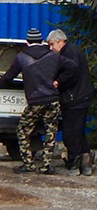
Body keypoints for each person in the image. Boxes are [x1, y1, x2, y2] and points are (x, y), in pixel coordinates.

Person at [0, 28, 76, 174]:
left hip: (35, 101)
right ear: (42, 42)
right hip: (52, 100)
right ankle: (46, 166)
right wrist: (58, 81)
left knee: (22, 131)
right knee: (50, 131)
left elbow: (8, 77)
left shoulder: (22, 57)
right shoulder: (52, 55)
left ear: (27, 42)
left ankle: (28, 164)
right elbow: (72, 66)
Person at [47, 29, 95, 176]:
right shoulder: (73, 50)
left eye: (52, 44)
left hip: (75, 98)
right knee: (78, 130)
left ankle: (73, 164)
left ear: (61, 41)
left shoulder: (69, 54)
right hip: (81, 96)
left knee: (70, 132)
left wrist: (57, 82)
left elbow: (71, 73)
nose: (51, 48)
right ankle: (86, 162)